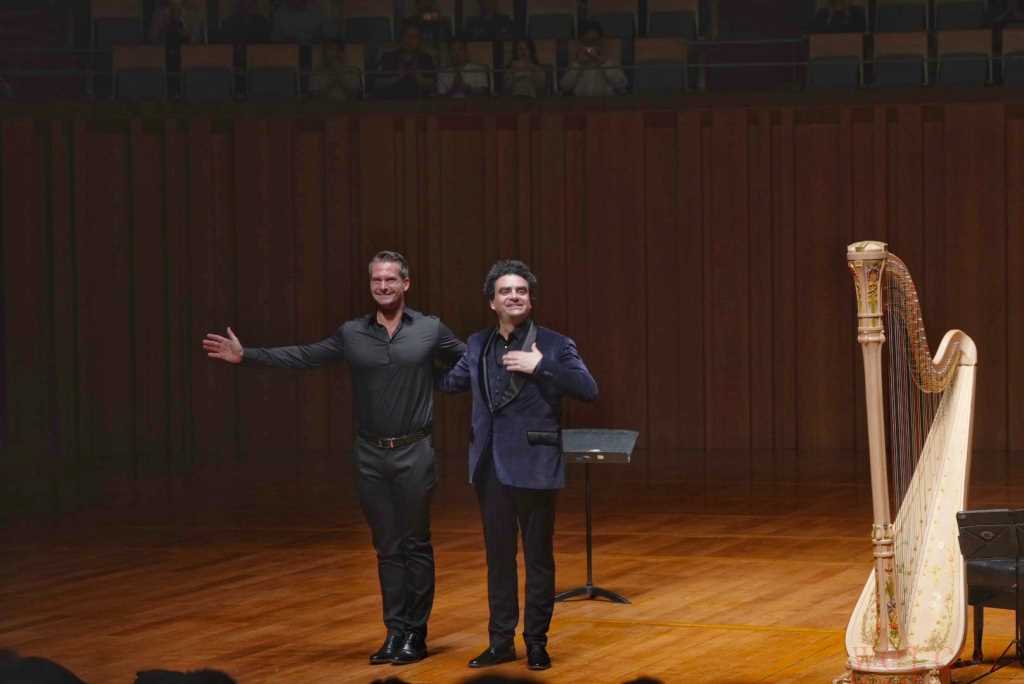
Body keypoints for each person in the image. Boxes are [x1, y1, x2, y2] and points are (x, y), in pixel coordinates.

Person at [202, 251, 465, 666]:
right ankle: (395, 632)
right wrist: (247, 354)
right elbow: (306, 355)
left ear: (406, 284)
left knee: (415, 544)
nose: (383, 286)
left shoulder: (430, 329)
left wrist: (443, 381)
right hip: (370, 454)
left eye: (390, 280)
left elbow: (471, 363)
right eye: (376, 280)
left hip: (414, 451)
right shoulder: (352, 333)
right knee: (386, 547)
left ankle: (416, 634)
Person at [437, 260, 598, 672]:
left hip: (535, 464)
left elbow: (588, 389)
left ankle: (537, 642)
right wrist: (409, 355)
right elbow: (450, 382)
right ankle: (500, 642)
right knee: (499, 560)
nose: (514, 296)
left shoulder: (555, 344)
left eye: (521, 291)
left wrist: (539, 366)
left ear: (530, 299)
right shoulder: (477, 344)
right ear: (492, 302)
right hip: (490, 467)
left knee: (539, 559)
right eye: (505, 291)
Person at [559, 22, 627, 96]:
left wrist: (604, 63)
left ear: (601, 41)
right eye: (587, 42)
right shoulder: (576, 63)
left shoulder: (610, 60)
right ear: (581, 43)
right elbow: (564, 87)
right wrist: (578, 64)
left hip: (605, 101)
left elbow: (622, 85)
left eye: (594, 40)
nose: (591, 45)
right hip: (580, 101)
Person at [374, 22, 436, 99]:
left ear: (420, 40)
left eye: (414, 37)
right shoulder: (388, 56)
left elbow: (434, 84)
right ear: (401, 38)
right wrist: (396, 78)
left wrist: (419, 78)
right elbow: (377, 83)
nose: (410, 40)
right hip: (392, 101)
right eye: (407, 36)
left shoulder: (426, 58)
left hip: (419, 101)